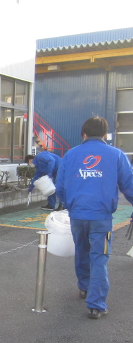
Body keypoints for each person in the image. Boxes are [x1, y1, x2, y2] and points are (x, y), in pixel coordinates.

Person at [55, 116, 133, 319]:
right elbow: (129, 185)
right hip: (101, 216)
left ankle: (84, 287)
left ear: (84, 134)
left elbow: (61, 187)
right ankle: (96, 304)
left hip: (77, 214)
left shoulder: (71, 154)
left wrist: (68, 204)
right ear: (105, 134)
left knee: (81, 250)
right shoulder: (116, 155)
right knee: (99, 257)